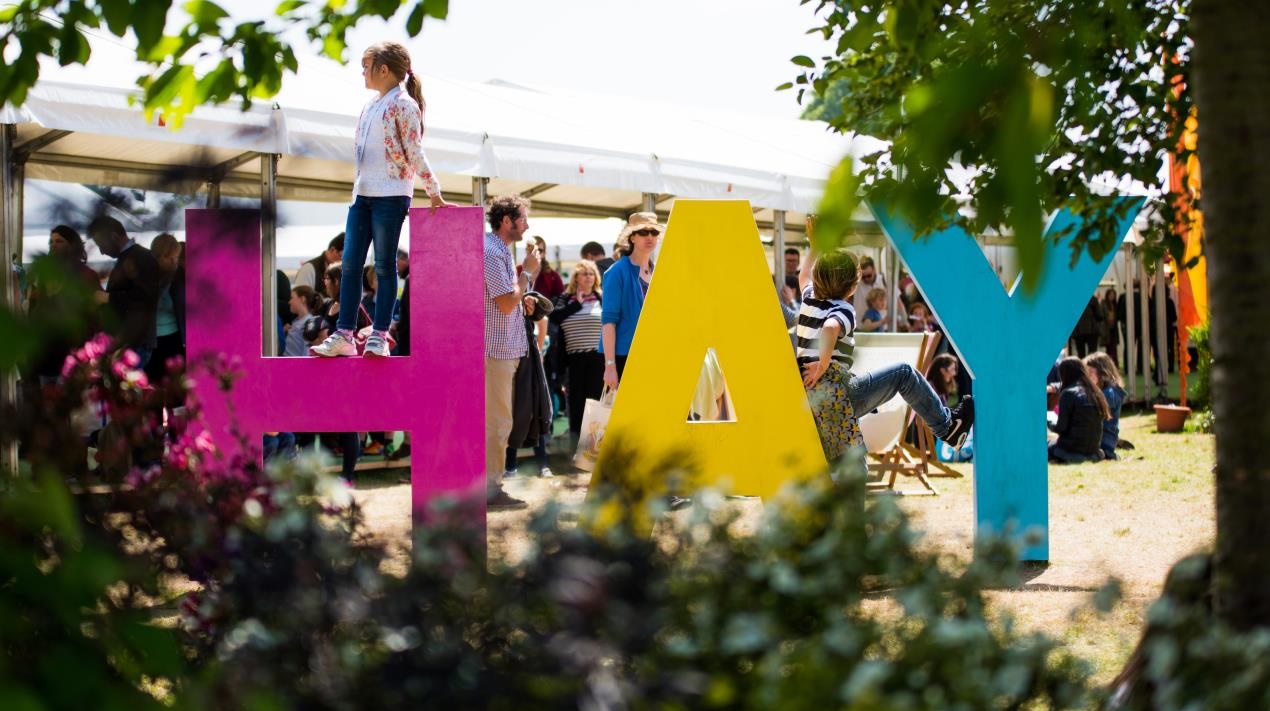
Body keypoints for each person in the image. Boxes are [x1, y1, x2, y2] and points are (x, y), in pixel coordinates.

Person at [311, 41, 452, 359]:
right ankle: (344, 334)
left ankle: (379, 335)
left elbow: (414, 150)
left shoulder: (404, 104)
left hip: (391, 195)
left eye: (366, 66)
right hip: (362, 195)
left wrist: (433, 190)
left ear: (384, 69)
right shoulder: (370, 105)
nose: (362, 72)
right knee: (350, 265)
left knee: (385, 265)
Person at [797, 247, 974, 473]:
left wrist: (814, 245)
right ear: (852, 287)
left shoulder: (809, 300)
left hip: (812, 398)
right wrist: (823, 365)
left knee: (848, 466)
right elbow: (830, 328)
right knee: (904, 374)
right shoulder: (843, 309)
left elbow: (803, 275)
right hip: (841, 394)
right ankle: (947, 428)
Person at [484, 194, 539, 509]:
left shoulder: (498, 250)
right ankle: (491, 490)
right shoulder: (492, 251)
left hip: (503, 350)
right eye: (523, 219)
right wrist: (527, 273)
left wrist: (523, 299)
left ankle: (490, 486)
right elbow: (505, 303)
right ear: (506, 221)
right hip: (496, 351)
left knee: (500, 421)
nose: (527, 225)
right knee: (498, 422)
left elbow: (507, 301)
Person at [24, 225, 102, 382]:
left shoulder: (86, 276)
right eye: (51, 242)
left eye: (59, 241)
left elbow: (96, 316)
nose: (53, 245)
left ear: (72, 245)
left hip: (72, 354)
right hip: (45, 354)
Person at [87, 215, 162, 366]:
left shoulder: (143, 258)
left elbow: (145, 299)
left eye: (101, 244)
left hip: (136, 343)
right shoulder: (131, 257)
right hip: (129, 342)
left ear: (114, 237)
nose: (101, 252)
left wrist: (108, 298)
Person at [601, 212, 662, 390]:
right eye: (643, 232)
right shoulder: (616, 271)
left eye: (654, 232)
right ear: (632, 237)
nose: (649, 237)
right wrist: (610, 365)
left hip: (655, 354)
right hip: (624, 356)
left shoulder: (658, 272)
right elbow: (608, 322)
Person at [549, 259, 604, 438]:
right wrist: (576, 304)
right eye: (584, 274)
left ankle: (594, 444)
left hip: (598, 358)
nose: (588, 277)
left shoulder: (602, 298)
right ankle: (576, 442)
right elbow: (555, 318)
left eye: (591, 274)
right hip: (573, 360)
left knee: (596, 401)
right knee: (577, 402)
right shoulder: (565, 299)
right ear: (576, 278)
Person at [506, 294, 555, 479]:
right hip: (508, 361)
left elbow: (544, 319)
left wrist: (539, 351)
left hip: (528, 362)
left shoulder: (522, 296)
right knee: (510, 412)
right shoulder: (503, 299)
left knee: (534, 411)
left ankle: (542, 465)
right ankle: (510, 466)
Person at [1047, 356, 1110, 463]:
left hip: (1072, 449)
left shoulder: (1068, 393)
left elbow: (1061, 428)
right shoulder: (1096, 392)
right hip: (1093, 450)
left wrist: (1050, 423)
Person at [145, 234, 186, 384]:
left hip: (175, 337)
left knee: (175, 385)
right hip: (151, 340)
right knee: (154, 383)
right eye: (169, 258)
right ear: (156, 257)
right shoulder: (145, 276)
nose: (174, 262)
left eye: (176, 257)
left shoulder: (180, 276)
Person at [1084, 351, 1127, 461]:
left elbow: (1092, 418)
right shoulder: (1104, 390)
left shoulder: (1110, 393)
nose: (1088, 375)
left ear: (1102, 372)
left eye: (1091, 372)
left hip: (1103, 442)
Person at [283, 286, 323, 357]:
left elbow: (306, 354)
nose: (289, 302)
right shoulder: (297, 321)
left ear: (302, 299)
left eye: (292, 298)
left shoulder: (309, 324)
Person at [525, 235, 565, 300]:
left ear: (544, 254)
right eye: (531, 249)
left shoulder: (553, 276)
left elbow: (562, 300)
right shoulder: (516, 271)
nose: (534, 253)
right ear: (526, 251)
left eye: (539, 250)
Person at [851, 255, 887, 326]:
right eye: (863, 277)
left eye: (869, 275)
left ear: (874, 270)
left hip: (882, 327)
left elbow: (897, 302)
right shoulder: (856, 283)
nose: (866, 279)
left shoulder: (883, 280)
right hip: (861, 327)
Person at [1102, 287, 1120, 368]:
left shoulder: (1115, 305)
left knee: (1114, 348)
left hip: (1113, 329)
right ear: (1107, 295)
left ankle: (1115, 364)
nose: (1112, 296)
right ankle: (1108, 365)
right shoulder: (1103, 303)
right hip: (1107, 329)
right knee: (1109, 347)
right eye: (1111, 295)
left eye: (1113, 295)